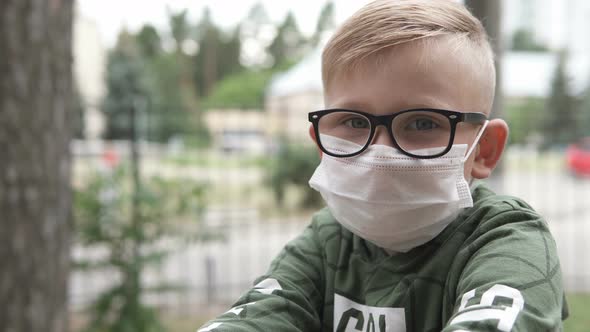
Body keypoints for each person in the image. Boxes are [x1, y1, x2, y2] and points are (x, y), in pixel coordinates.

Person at [198, 0, 568, 331]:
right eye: (355, 122)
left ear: (484, 149)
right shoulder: (328, 241)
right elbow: (261, 314)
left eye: (423, 123)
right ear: (321, 145)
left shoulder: (507, 240)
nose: (380, 153)